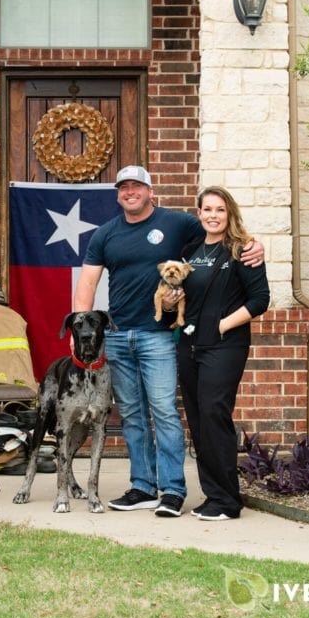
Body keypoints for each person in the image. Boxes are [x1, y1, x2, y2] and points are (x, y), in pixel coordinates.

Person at [73, 165, 264, 518]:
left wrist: (253, 245)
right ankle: (142, 486)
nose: (130, 192)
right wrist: (81, 334)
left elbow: (220, 231)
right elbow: (86, 285)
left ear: (150, 190)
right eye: (124, 187)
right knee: (131, 414)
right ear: (118, 194)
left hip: (159, 336)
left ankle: (173, 490)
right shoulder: (105, 235)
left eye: (137, 186)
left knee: (164, 412)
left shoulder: (178, 223)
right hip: (117, 337)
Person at [176, 186, 269, 521]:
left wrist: (222, 325)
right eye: (207, 209)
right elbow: (183, 293)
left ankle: (228, 501)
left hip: (225, 345)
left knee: (215, 413)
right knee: (199, 420)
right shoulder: (190, 250)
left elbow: (260, 299)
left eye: (220, 210)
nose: (213, 216)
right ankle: (212, 495)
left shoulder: (242, 250)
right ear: (198, 213)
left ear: (229, 213)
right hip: (188, 346)